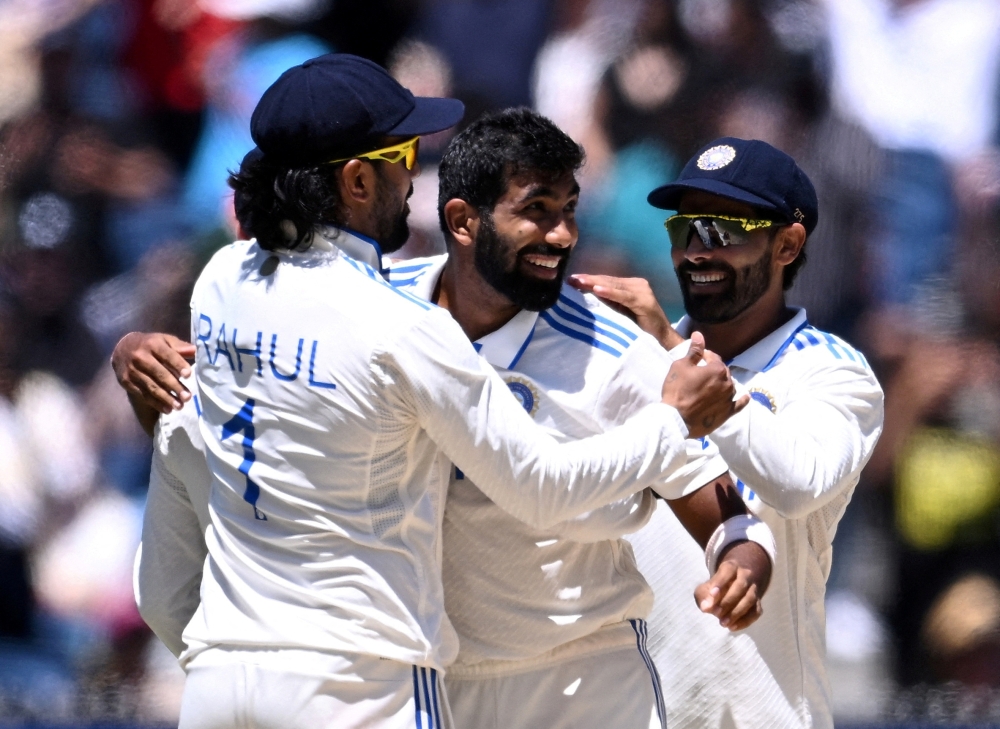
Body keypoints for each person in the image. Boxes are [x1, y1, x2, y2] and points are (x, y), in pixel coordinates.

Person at [123, 55, 746, 729]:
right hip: (357, 684)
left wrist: (128, 352)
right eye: (404, 154)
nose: (414, 177)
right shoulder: (404, 327)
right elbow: (538, 483)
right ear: (357, 179)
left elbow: (183, 455)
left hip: (220, 677)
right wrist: (672, 418)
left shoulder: (218, 282)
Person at [571, 137, 885, 729]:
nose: (695, 252)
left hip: (761, 712)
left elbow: (797, 482)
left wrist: (670, 352)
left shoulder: (833, 372)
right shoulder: (634, 360)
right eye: (685, 229)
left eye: (724, 230)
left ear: (787, 244)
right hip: (628, 709)